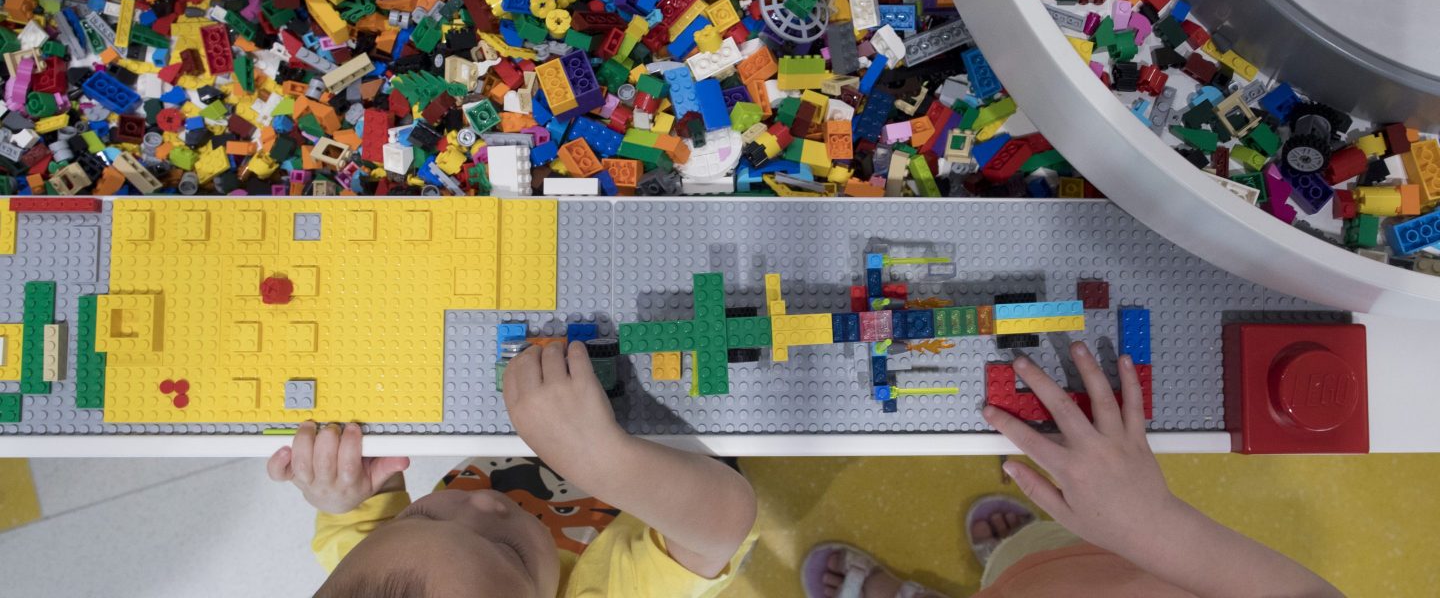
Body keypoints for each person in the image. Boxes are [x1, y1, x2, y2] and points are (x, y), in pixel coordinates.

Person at [803, 342, 1345, 598]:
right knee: (1043, 550)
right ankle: (1026, 547)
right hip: (1105, 571)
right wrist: (1149, 522)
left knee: (1029, 565)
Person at [269, 340, 758, 598]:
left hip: (551, 429)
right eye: (508, 552)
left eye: (421, 517)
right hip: (677, 482)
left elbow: (362, 506)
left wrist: (342, 488)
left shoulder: (373, 574)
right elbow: (722, 522)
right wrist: (605, 461)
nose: (483, 502)